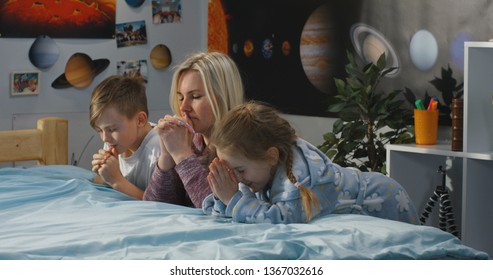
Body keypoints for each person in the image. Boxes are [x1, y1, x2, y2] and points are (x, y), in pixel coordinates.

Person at [203, 101, 419, 224]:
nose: (238, 179)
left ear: (271, 156)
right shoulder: (264, 168)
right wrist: (224, 197)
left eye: (239, 170)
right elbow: (243, 203)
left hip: (384, 201)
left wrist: (233, 199)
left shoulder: (301, 181)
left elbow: (281, 220)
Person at [143, 52, 245, 207]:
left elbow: (220, 209)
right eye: (181, 98)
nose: (183, 107)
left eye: (195, 96)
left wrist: (182, 155)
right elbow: (153, 206)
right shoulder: (192, 142)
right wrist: (166, 157)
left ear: (224, 96)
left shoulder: (242, 149)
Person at [90, 73, 160, 200]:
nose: (105, 138)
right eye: (100, 130)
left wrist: (116, 180)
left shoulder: (158, 149)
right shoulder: (114, 141)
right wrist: (103, 173)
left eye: (112, 129)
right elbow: (100, 181)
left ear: (139, 120)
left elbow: (159, 203)